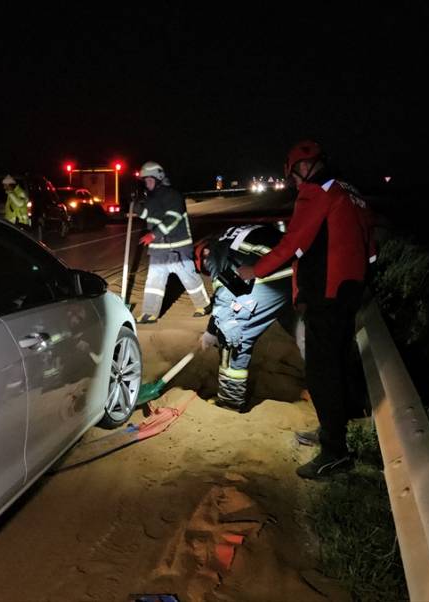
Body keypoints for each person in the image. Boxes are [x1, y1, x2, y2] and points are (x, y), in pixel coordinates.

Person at [237, 140, 375, 479]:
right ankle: (338, 431)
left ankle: (334, 453)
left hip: (326, 296)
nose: (295, 182)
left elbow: (294, 243)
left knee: (321, 371)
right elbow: (371, 248)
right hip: (349, 291)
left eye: (295, 174)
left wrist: (256, 270)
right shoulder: (350, 190)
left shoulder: (317, 191)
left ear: (304, 167)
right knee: (340, 362)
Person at [196, 223, 298, 411]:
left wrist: (212, 332)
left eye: (203, 268)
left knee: (233, 335)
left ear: (204, 252)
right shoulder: (234, 234)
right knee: (299, 328)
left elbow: (223, 297)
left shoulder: (214, 252)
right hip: (299, 270)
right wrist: (211, 328)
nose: (207, 272)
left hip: (273, 275)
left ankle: (230, 402)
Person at [136, 161, 210, 323]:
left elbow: (173, 218)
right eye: (145, 181)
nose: (147, 184)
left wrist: (153, 235)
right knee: (153, 282)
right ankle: (150, 313)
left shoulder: (173, 196)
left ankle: (204, 305)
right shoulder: (151, 198)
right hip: (158, 251)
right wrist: (133, 204)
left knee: (189, 279)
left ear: (159, 178)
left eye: (149, 180)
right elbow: (145, 214)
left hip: (178, 249)